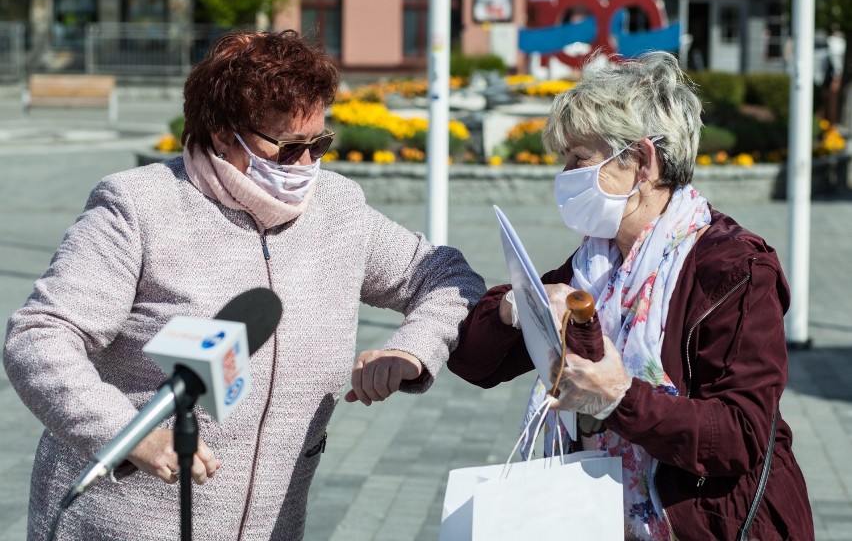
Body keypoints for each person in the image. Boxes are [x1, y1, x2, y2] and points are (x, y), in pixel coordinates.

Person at [3, 29, 484, 540]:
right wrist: (128, 437)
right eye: (285, 148)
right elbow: (39, 336)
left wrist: (412, 350)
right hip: (118, 524)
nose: (304, 165)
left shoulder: (340, 209)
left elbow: (445, 275)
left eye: (317, 145)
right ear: (220, 135)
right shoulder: (138, 207)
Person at [447, 52, 813, 540]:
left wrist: (618, 397)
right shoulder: (594, 265)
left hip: (709, 524)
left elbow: (741, 436)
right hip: (603, 519)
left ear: (641, 161)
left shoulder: (734, 269)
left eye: (580, 159)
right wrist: (514, 306)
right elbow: (476, 364)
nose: (565, 175)